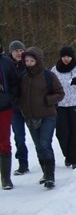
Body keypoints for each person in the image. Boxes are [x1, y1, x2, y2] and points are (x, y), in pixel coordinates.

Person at [17, 47, 64, 188]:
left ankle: (50, 176)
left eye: (32, 60)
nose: (29, 63)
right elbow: (19, 96)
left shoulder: (48, 75)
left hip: (48, 115)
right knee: (39, 146)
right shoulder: (23, 77)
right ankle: (45, 172)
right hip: (30, 117)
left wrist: (47, 100)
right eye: (27, 61)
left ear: (38, 61)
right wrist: (22, 107)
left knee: (45, 144)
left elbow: (60, 93)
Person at [51, 46, 76, 168]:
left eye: (68, 56)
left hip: (75, 104)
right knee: (62, 132)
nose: (66, 59)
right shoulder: (55, 70)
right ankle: (67, 154)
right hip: (60, 105)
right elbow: (49, 85)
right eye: (64, 56)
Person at [1, 44, 21, 190]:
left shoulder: (6, 62)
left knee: (3, 141)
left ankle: (5, 178)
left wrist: (9, 97)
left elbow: (15, 83)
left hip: (3, 107)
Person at [8, 40, 29, 176]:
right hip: (14, 107)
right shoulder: (6, 65)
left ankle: (45, 162)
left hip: (29, 105)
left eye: (21, 50)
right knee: (19, 137)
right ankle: (22, 163)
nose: (19, 53)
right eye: (16, 51)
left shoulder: (28, 64)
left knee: (38, 137)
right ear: (11, 52)